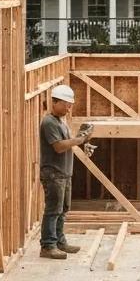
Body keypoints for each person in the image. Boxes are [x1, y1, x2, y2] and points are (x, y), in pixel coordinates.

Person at [39, 83, 94, 259]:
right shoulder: (49, 122)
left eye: (70, 106)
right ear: (55, 102)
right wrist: (79, 140)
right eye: (66, 105)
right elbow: (59, 147)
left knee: (62, 210)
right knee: (53, 210)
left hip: (63, 173)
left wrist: (83, 141)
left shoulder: (60, 122)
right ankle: (48, 246)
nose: (69, 109)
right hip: (53, 174)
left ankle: (59, 242)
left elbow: (67, 143)